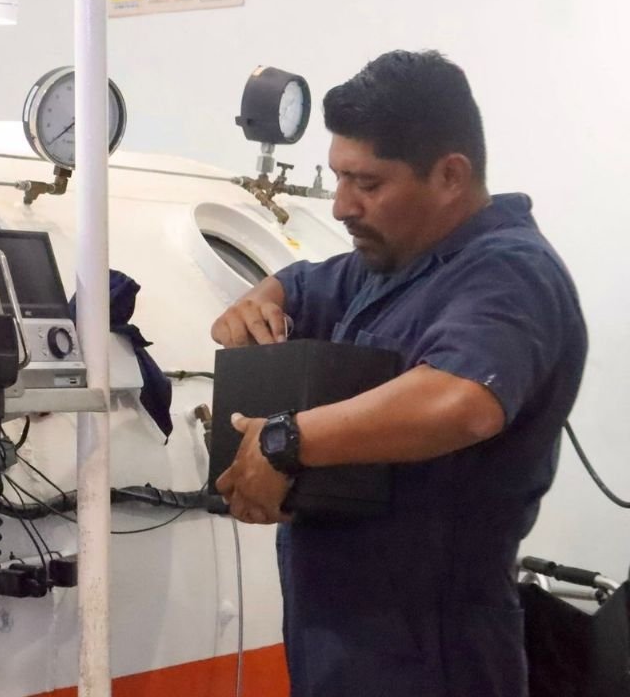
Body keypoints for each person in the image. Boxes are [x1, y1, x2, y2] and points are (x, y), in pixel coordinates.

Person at [211, 50, 588, 697]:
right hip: (340, 642)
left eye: (369, 183)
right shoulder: (393, 261)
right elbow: (297, 286)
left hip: (431, 654)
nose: (341, 207)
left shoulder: (507, 273)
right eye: (338, 178)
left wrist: (285, 440)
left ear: (449, 175)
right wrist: (255, 305)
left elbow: (462, 401)